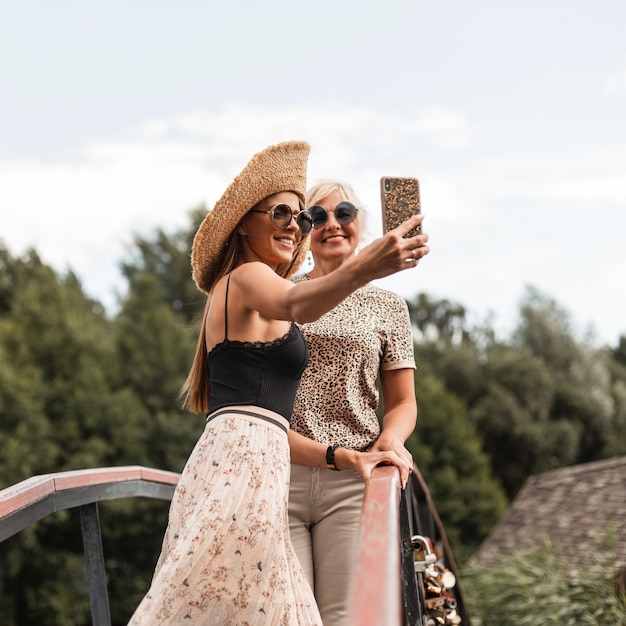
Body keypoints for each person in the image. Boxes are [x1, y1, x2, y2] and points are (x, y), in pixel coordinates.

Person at [128, 142, 424, 625]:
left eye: (298, 217)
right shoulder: (249, 278)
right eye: (287, 212)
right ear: (244, 222)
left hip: (280, 464)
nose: (297, 225)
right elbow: (297, 306)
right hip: (254, 468)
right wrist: (368, 264)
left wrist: (357, 451)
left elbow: (393, 398)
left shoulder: (273, 286)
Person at [288, 180, 429, 626]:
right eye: (317, 216)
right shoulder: (282, 295)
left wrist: (390, 439)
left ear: (359, 224)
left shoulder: (387, 305)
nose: (332, 224)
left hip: (351, 476)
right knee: (289, 614)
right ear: (303, 230)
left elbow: (403, 401)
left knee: (346, 617)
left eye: (344, 213)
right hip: (282, 472)